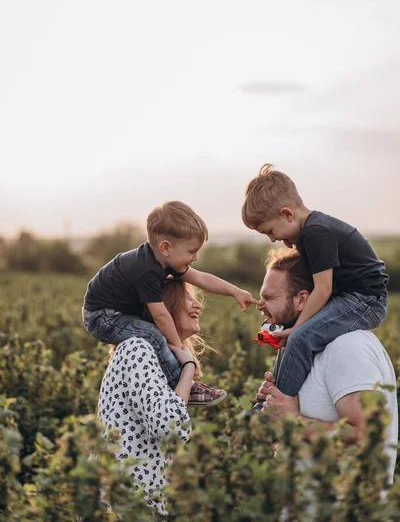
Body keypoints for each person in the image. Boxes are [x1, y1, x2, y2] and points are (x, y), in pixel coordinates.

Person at [84, 200, 256, 406]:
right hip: (101, 317)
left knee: (156, 337)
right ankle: (183, 384)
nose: (195, 258)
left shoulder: (163, 261)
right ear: (166, 247)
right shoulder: (146, 270)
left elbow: (201, 278)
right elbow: (161, 315)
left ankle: (177, 383)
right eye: (191, 251)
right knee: (155, 335)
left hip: (117, 312)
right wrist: (179, 347)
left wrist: (235, 291)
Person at [242, 164, 389, 396]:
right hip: (349, 297)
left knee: (299, 337)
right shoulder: (308, 233)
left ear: (287, 214)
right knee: (293, 333)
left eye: (270, 231)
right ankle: (269, 397)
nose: (272, 239)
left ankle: (280, 404)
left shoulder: (316, 232)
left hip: (365, 301)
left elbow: (323, 288)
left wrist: (298, 329)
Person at [255, 249, 398, 483]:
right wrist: (274, 406)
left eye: (270, 298)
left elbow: (367, 433)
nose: (260, 305)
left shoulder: (347, 347)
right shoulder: (307, 348)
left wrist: (292, 421)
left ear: (302, 300)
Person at [99, 278, 211, 515]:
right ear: (163, 306)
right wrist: (189, 368)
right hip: (121, 506)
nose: (197, 305)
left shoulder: (154, 357)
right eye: (187, 298)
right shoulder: (138, 348)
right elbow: (169, 429)